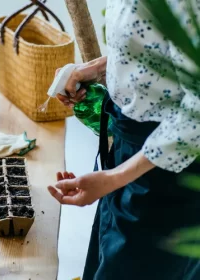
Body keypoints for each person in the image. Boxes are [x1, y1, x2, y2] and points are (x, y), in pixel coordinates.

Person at [47, 1, 200, 279]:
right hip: (133, 154)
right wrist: (98, 67)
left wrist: (115, 177)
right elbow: (159, 43)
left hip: (168, 177)